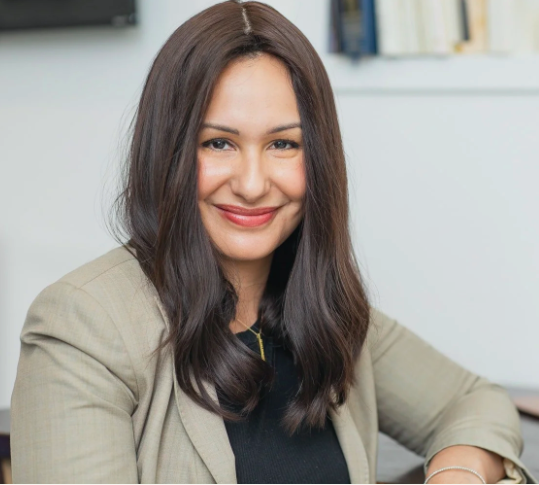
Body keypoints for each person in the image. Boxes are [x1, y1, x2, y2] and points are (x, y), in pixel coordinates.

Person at [10, 1, 538, 483]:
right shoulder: (82, 328)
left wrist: (459, 473)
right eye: (219, 142)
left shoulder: (328, 316)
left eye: (283, 144)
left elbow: (474, 402)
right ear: (167, 152)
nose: (253, 182)